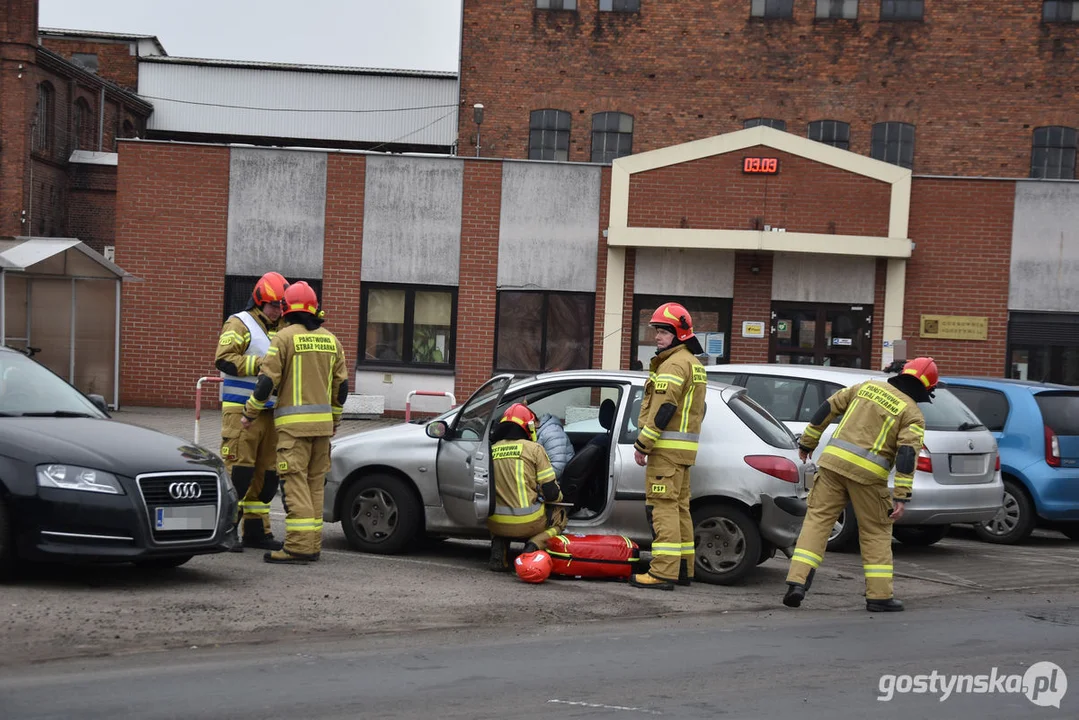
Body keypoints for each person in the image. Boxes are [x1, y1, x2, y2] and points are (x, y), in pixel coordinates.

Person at [783, 357, 935, 612]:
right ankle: (879, 596)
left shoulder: (867, 386)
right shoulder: (913, 415)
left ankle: (796, 583)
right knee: (876, 532)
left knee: (817, 522)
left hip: (832, 466)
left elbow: (827, 407)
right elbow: (907, 455)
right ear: (924, 389)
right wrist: (901, 495)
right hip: (868, 478)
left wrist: (808, 442)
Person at [242, 281, 349, 565]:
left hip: (293, 429)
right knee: (314, 485)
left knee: (295, 484)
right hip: (323, 428)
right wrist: (335, 419)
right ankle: (312, 544)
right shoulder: (331, 339)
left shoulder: (284, 337)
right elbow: (342, 387)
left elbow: (266, 382)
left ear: (287, 308)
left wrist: (249, 412)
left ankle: (299, 547)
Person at [630, 302, 707, 591]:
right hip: (683, 452)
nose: (657, 337)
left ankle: (663, 572)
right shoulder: (694, 364)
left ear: (679, 334)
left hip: (665, 451)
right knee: (679, 509)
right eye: (656, 331)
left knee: (661, 509)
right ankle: (684, 568)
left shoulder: (673, 364)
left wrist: (643, 443)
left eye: (663, 331)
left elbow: (664, 409)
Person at [215, 271, 290, 552]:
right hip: (241, 413)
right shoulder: (240, 322)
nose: (277, 310)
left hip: (271, 411)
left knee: (268, 476)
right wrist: (262, 364)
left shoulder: (283, 327)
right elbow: (223, 359)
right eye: (272, 305)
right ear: (259, 302)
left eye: (281, 305)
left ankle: (257, 531)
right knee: (240, 474)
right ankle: (226, 530)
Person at [486, 403, 569, 571]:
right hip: (529, 523)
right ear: (529, 427)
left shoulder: (491, 450)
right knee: (560, 516)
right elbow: (551, 492)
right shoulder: (534, 449)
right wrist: (558, 499)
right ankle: (533, 545)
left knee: (503, 515)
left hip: (495, 523)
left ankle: (499, 544)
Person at [535, 412, 575, 480]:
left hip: (557, 484)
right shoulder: (544, 432)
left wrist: (532, 481)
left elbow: (557, 469)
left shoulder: (552, 433)